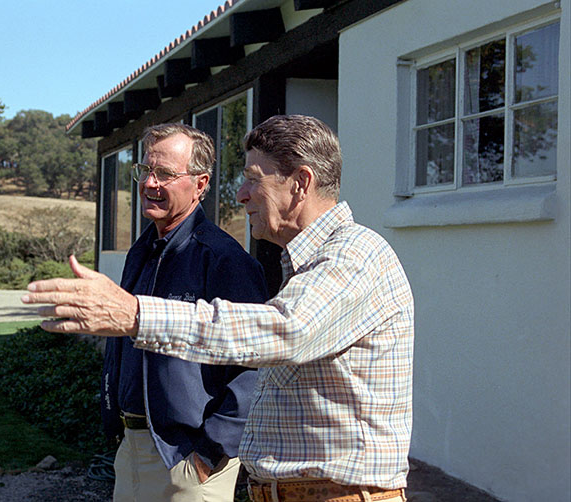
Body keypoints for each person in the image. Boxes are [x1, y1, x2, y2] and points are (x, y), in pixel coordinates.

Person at [23, 115, 414, 502]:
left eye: (252, 179)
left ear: (301, 183)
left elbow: (284, 331)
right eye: (145, 170)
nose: (241, 194)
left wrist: (136, 315)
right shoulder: (302, 265)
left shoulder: (355, 255)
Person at [97, 123, 268, 502]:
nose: (149, 183)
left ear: (201, 184)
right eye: (145, 171)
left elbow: (254, 369)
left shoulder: (224, 260)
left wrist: (209, 454)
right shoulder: (141, 253)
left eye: (165, 174)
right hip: (132, 448)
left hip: (190, 463)